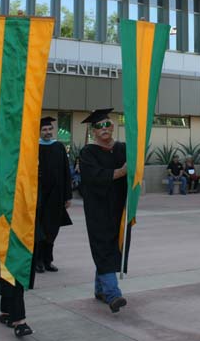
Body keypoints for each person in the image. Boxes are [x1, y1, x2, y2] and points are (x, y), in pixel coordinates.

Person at [79, 108, 128, 313]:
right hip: (98, 208)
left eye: (108, 124)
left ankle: (100, 289)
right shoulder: (88, 153)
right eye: (100, 126)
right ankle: (113, 294)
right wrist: (121, 171)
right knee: (103, 247)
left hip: (118, 208)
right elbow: (95, 176)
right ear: (93, 131)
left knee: (112, 248)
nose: (105, 128)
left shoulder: (124, 148)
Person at [34, 116, 73, 273]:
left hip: (56, 196)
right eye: (44, 130)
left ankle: (47, 260)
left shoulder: (59, 147)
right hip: (39, 196)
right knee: (39, 229)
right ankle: (37, 260)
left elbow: (66, 172)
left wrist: (67, 196)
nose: (48, 132)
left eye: (50, 129)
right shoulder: (34, 147)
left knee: (52, 230)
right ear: (39, 131)